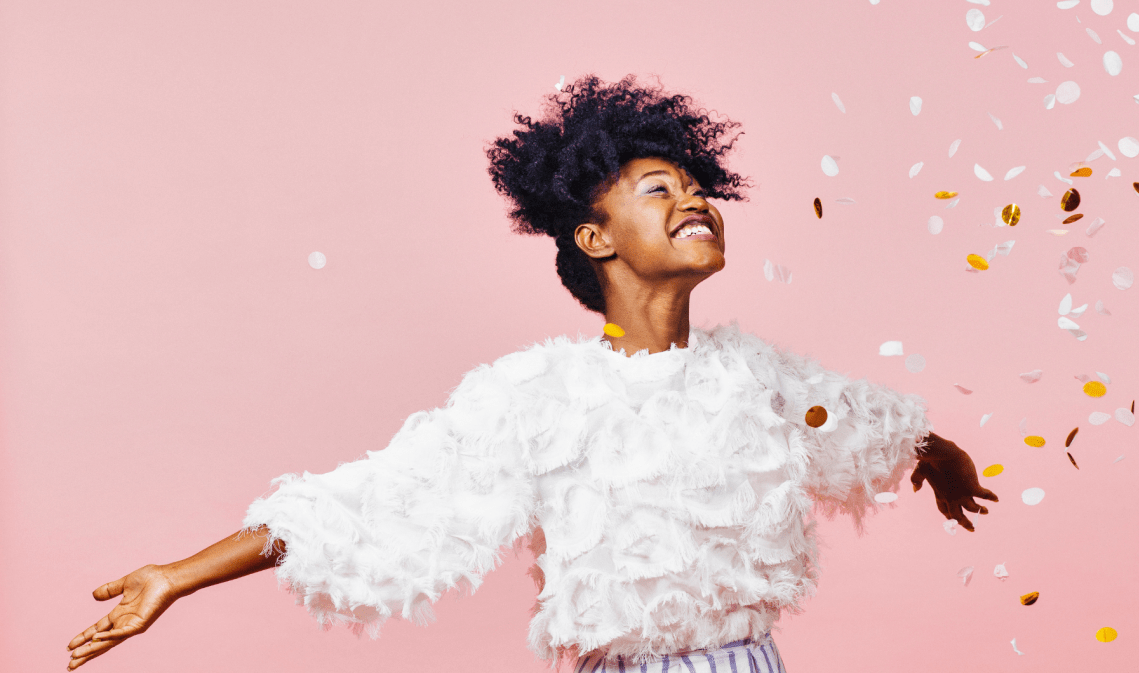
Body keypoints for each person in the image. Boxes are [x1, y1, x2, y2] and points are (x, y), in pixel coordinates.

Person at [67, 75, 998, 672]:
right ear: (595, 240)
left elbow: (862, 423)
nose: (694, 198)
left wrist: (937, 454)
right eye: (658, 189)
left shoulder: (757, 375)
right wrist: (179, 575)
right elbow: (381, 498)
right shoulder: (541, 397)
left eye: (696, 185)